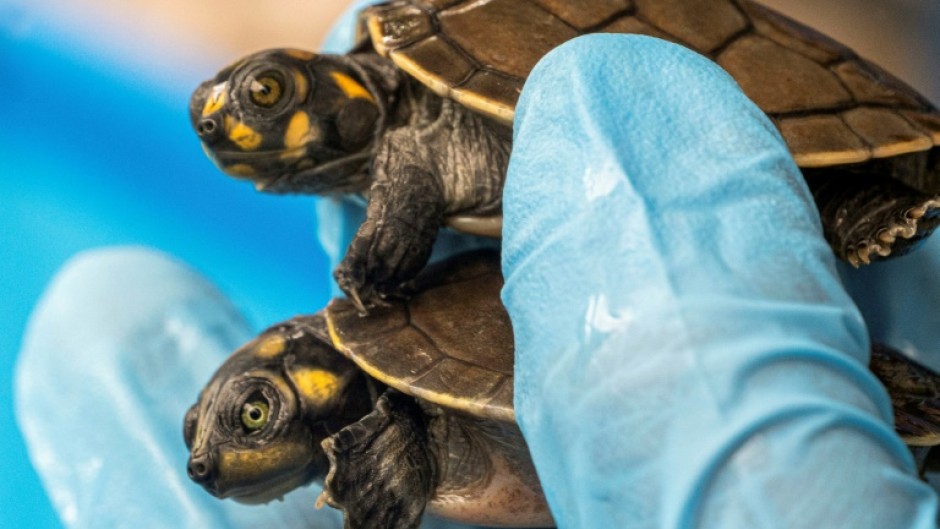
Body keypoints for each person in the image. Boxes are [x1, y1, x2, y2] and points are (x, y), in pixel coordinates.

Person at [17, 2, 940, 527]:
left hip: (750, 120)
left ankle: (872, 198)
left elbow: (411, 185)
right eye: (217, 116)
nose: (230, 120)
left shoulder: (416, 142)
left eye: (263, 92)